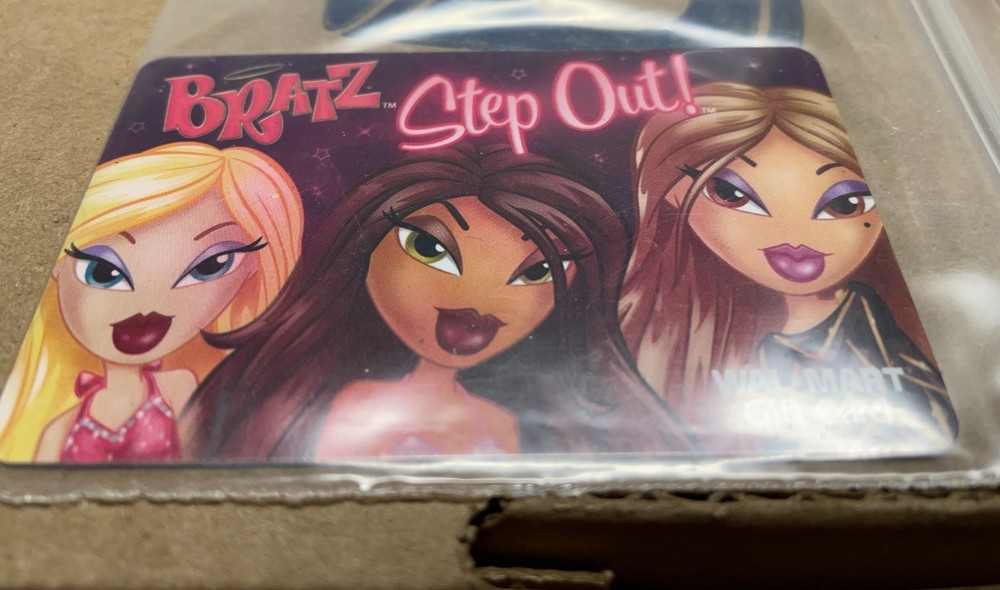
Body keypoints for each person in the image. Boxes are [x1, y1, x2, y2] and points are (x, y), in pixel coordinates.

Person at [185, 143, 695, 460]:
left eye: (539, 271)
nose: (478, 302)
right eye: (429, 248)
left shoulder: (515, 423)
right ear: (362, 246)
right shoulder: (319, 407)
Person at [619, 82, 956, 452]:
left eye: (845, 204)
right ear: (673, 193)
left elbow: (931, 425)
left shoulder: (885, 321)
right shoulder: (652, 333)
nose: (795, 237)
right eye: (732, 195)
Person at [0, 142, 304, 463]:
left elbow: (197, 460)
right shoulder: (58, 425)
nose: (147, 307)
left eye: (209, 266)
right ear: (58, 268)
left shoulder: (179, 385)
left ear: (251, 273)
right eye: (103, 272)